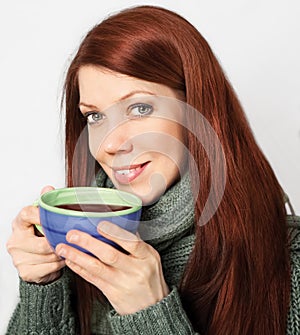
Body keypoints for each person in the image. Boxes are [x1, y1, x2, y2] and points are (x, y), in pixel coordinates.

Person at [5, 5, 300, 335]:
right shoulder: (78, 248)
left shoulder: (292, 263)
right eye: (95, 116)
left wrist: (149, 314)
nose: (112, 144)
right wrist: (43, 288)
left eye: (140, 108)